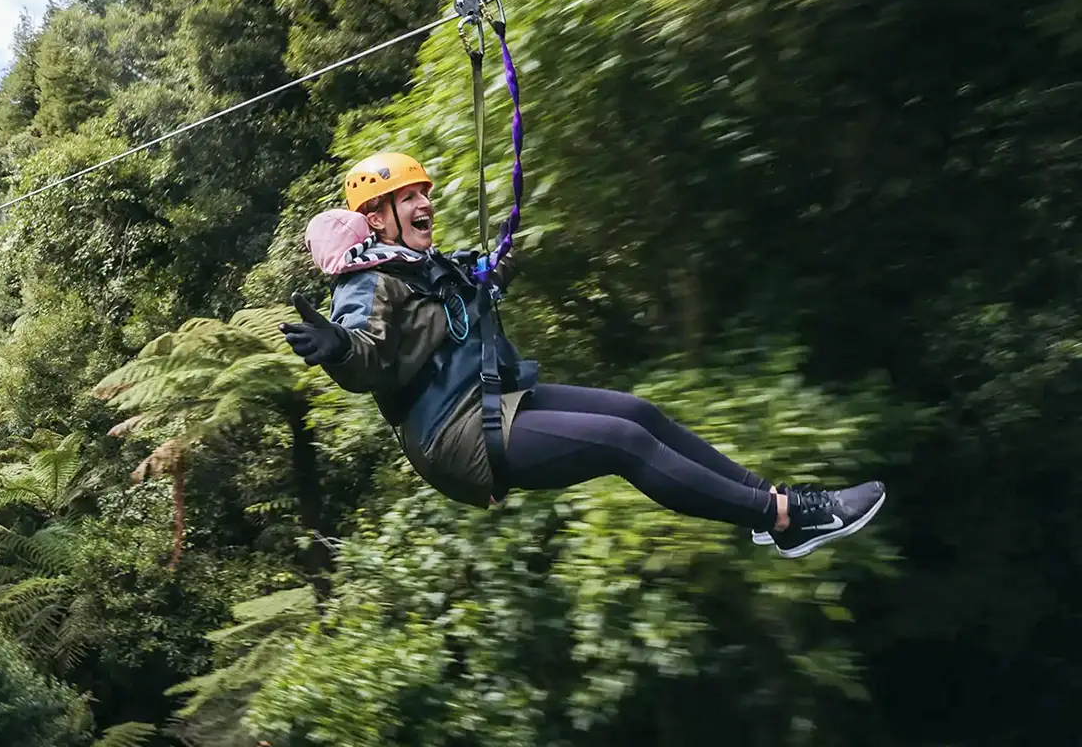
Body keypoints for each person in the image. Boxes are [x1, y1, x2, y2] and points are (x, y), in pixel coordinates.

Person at [281, 151, 885, 558]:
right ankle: (784, 515)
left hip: (494, 397)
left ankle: (770, 508)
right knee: (625, 445)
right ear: (376, 219)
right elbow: (366, 354)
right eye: (405, 197)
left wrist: (491, 275)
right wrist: (336, 348)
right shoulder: (365, 282)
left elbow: (458, 292)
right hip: (456, 431)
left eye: (422, 193)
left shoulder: (425, 266)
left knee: (639, 414)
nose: (422, 204)